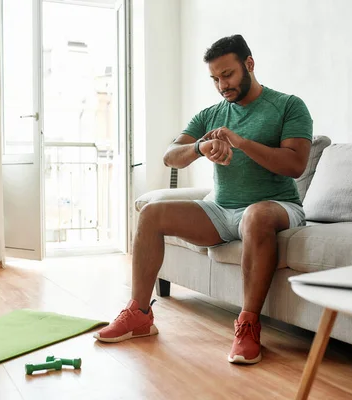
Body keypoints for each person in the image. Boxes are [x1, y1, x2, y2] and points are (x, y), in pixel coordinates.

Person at [93, 34, 313, 364]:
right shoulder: (210, 115)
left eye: (228, 75)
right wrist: (201, 148)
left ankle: (248, 325)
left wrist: (241, 143)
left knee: (255, 215)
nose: (222, 85)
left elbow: (295, 165)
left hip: (276, 207)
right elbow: (170, 156)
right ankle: (139, 315)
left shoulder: (288, 106)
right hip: (221, 210)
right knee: (151, 213)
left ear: (249, 65)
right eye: (215, 78)